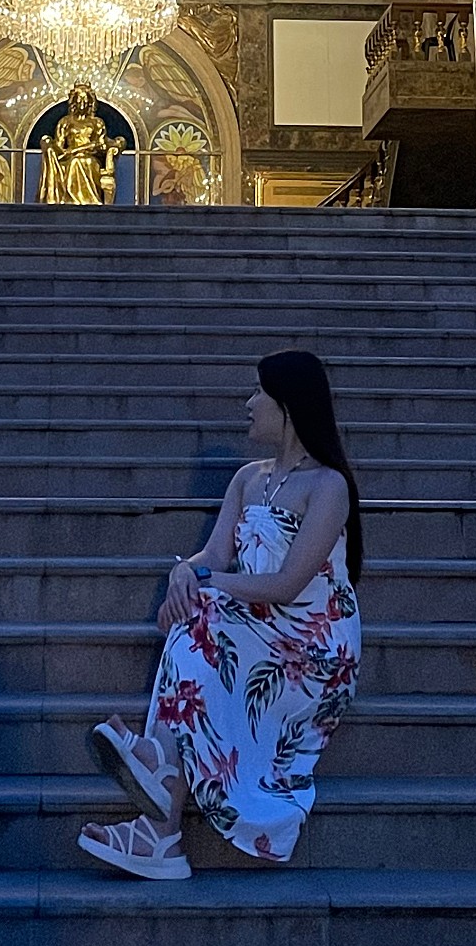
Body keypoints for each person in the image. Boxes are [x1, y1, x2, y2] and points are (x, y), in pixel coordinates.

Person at [78, 348, 363, 880]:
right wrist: (183, 573)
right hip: (252, 623)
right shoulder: (247, 479)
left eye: (258, 392)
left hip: (312, 648)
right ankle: (161, 812)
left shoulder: (329, 487)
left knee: (203, 612)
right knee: (198, 611)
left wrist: (204, 584)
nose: (248, 403)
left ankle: (159, 800)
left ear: (287, 405)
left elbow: (288, 585)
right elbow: (212, 556)